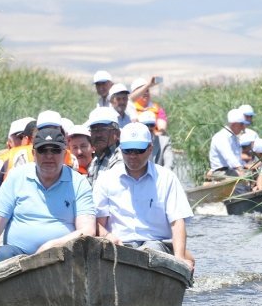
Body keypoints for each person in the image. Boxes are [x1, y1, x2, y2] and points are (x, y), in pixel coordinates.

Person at [0, 127, 96, 270]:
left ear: (64, 153)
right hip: (17, 257)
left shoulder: (79, 182)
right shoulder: (16, 177)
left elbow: (88, 230)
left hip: (62, 257)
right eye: (43, 150)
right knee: (2, 255)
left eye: (55, 150)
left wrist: (52, 246)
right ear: (34, 153)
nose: (49, 156)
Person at [93, 122, 194, 271]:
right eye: (128, 151)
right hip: (120, 246)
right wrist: (107, 235)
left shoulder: (167, 178)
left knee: (151, 249)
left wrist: (179, 258)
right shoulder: (106, 179)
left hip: (157, 244)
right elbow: (97, 222)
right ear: (121, 149)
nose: (133, 156)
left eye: (138, 150)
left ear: (150, 149)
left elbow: (177, 222)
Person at [207, 108, 248, 181]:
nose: (243, 127)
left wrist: (244, 168)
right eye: (241, 124)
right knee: (241, 180)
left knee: (251, 174)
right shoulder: (221, 137)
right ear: (234, 124)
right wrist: (241, 171)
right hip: (221, 172)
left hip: (231, 170)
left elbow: (237, 157)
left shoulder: (234, 137)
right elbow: (229, 157)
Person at [87, 106, 122, 184]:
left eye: (103, 129)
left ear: (117, 133)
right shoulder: (96, 160)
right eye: (94, 130)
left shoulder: (120, 159)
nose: (98, 134)